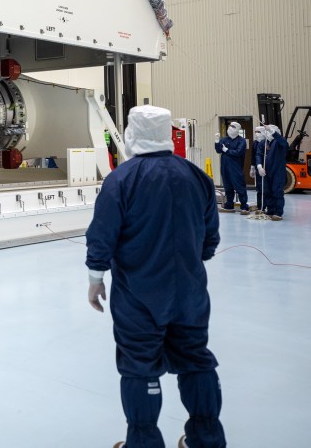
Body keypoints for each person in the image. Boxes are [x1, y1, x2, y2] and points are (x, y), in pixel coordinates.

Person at [86, 105, 226, 448]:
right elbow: (211, 236)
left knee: (139, 365)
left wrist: (95, 278)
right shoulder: (196, 177)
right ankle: (206, 438)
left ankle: (144, 442)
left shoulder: (121, 180)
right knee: (196, 358)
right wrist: (193, 262)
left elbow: (102, 233)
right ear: (168, 133)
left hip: (140, 294)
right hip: (191, 293)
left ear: (132, 132)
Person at [214, 122, 249, 215]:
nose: (230, 128)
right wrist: (217, 141)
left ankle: (244, 206)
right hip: (225, 167)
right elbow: (218, 150)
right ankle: (229, 205)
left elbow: (238, 152)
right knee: (227, 186)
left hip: (236, 167)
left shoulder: (241, 141)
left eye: (233, 127)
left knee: (239, 186)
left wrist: (227, 150)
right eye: (229, 127)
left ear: (237, 130)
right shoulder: (224, 139)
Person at [261, 124, 289, 221]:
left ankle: (278, 212)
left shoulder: (280, 141)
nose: (268, 132)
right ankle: (270, 210)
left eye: (270, 131)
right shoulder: (269, 143)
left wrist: (273, 132)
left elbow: (284, 143)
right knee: (268, 191)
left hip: (278, 171)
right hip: (268, 172)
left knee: (277, 192)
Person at [249, 126, 266, 211]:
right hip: (258, 168)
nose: (256, 134)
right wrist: (252, 167)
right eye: (255, 132)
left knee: (266, 188)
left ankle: (267, 206)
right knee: (259, 188)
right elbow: (253, 156)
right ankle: (260, 207)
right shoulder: (255, 143)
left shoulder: (267, 142)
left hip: (267, 168)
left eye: (259, 132)